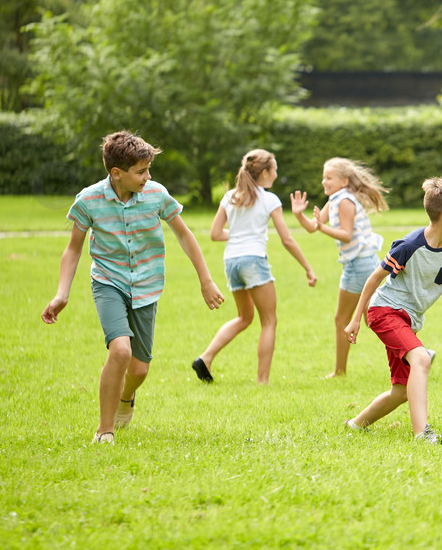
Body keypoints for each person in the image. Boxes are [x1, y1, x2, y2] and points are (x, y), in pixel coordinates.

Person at [41, 131, 225, 445]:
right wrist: (62, 292)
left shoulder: (155, 194)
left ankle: (127, 397)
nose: (147, 177)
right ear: (117, 173)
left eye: (148, 170)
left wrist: (205, 279)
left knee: (139, 370)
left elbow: (183, 234)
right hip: (108, 282)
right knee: (121, 351)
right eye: (141, 172)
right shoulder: (89, 200)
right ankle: (104, 429)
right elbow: (73, 249)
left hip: (147, 284)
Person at [344, 177, 442, 444]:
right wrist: (355, 319)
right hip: (384, 311)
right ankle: (422, 433)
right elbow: (373, 279)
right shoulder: (409, 246)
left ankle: (356, 425)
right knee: (421, 359)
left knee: (402, 390)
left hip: (409, 319)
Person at [192, 149, 317, 385]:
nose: (276, 175)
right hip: (254, 260)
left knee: (244, 317)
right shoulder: (269, 199)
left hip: (232, 262)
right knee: (269, 321)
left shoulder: (230, 196)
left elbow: (215, 234)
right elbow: (287, 239)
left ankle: (205, 358)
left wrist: (240, 234)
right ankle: (262, 381)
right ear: (265, 172)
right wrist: (308, 268)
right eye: (275, 170)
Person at [290, 157, 389, 378]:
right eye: (323, 177)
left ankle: (340, 372)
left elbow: (345, 234)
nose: (324, 181)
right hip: (362, 263)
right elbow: (313, 227)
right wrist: (298, 214)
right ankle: (416, 354)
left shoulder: (344, 201)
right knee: (374, 318)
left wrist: (323, 228)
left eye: (329, 177)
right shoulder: (335, 199)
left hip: (359, 265)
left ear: (344, 181)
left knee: (345, 319)